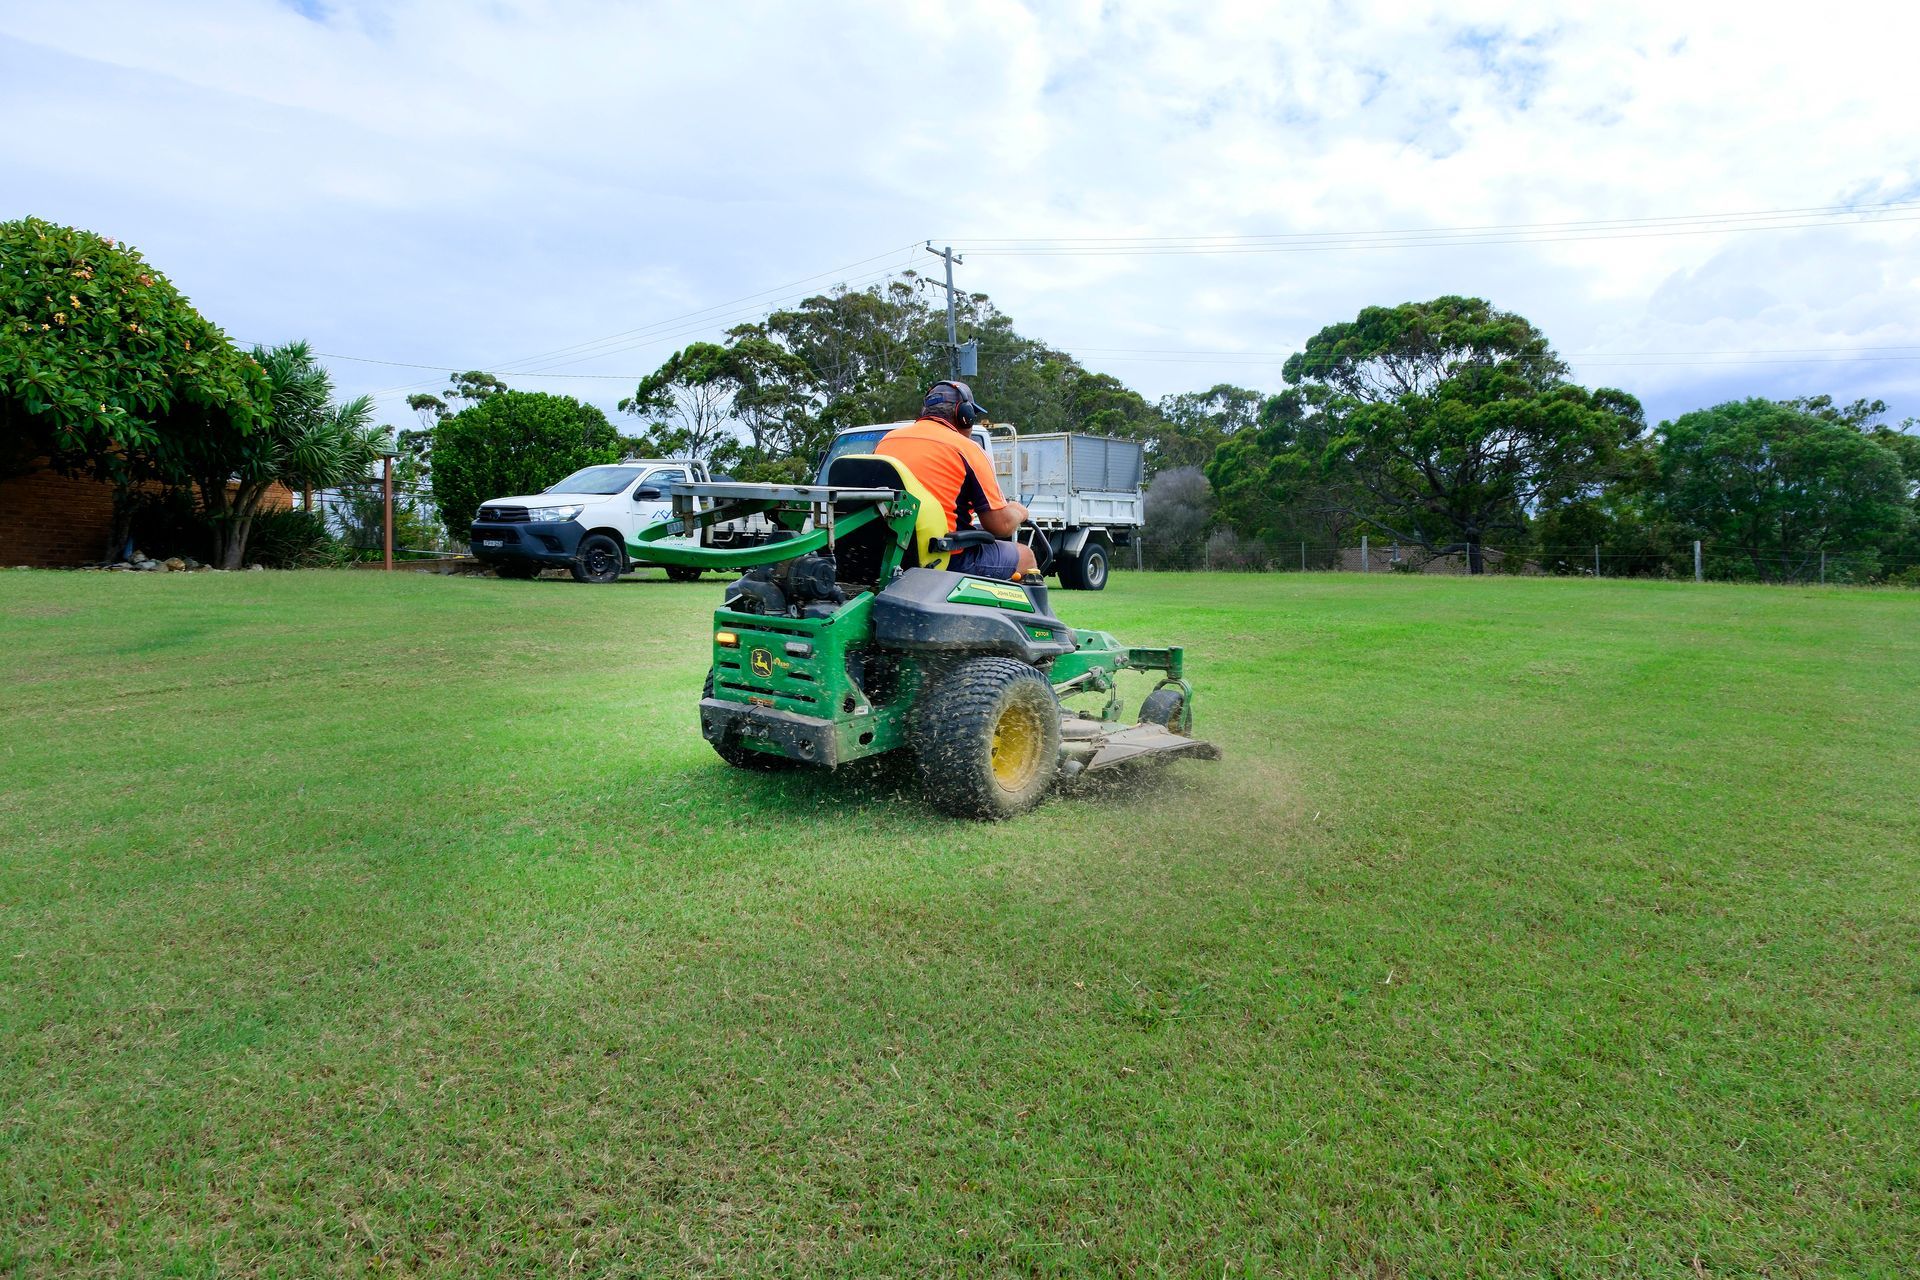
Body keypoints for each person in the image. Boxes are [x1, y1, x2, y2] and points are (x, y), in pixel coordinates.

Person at [875, 381, 1038, 580]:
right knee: (1026, 557)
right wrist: (1020, 512)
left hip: (890, 555)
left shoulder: (887, 441)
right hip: (943, 557)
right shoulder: (967, 449)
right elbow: (1000, 525)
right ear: (965, 416)